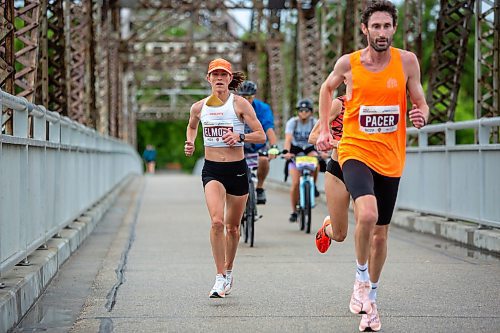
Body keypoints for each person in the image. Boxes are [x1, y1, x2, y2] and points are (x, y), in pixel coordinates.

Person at [315, 1, 429, 331]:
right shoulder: (349, 64)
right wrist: (324, 128)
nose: (381, 32)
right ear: (365, 29)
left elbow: (420, 103)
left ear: (394, 28)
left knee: (380, 236)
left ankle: (371, 297)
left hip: (391, 157)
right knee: (367, 214)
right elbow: (326, 87)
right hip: (354, 151)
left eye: (387, 26)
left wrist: (421, 115)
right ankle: (361, 280)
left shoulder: (407, 62)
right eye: (375, 26)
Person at [184, 58, 266, 298]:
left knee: (232, 227)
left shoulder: (240, 104)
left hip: (237, 169)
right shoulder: (199, 107)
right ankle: (219, 277)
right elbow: (191, 127)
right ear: (208, 79)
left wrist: (240, 137)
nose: (219, 78)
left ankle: (229, 270)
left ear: (230, 79)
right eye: (214, 74)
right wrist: (190, 141)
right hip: (212, 170)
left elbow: (260, 135)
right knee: (217, 222)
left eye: (224, 74)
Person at [308, 95, 351, 250]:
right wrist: (338, 144)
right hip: (339, 169)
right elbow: (313, 137)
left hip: (366, 169)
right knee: (339, 235)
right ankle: (327, 229)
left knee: (368, 222)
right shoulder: (339, 104)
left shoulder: (375, 103)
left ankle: (364, 272)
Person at [237, 80, 279, 204]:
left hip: (257, 146)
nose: (246, 100)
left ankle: (259, 187)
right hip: (239, 146)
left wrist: (274, 146)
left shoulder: (262, 108)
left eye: (249, 97)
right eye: (243, 97)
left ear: (254, 96)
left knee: (264, 159)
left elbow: (269, 128)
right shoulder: (232, 108)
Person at [283, 98, 319, 223]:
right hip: (295, 150)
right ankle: (294, 211)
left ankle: (312, 185)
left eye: (306, 110)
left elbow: (320, 138)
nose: (303, 113)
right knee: (295, 184)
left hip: (309, 148)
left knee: (316, 158)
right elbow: (288, 139)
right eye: (301, 110)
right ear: (297, 112)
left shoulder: (315, 122)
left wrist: (324, 152)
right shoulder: (293, 122)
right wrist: (286, 152)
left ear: (311, 112)